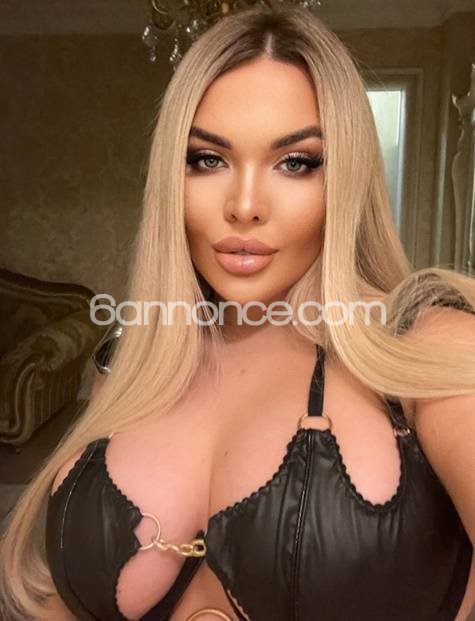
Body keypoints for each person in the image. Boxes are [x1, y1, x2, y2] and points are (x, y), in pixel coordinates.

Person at [1, 3, 475, 620]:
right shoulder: (126, 361)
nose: (245, 205)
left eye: (295, 162)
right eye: (208, 159)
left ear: (346, 180)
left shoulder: (428, 346)